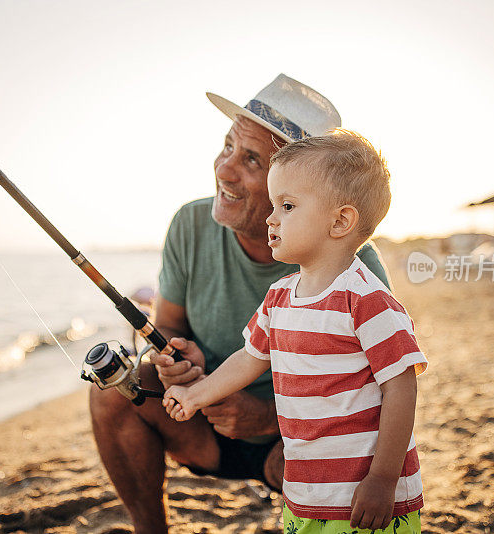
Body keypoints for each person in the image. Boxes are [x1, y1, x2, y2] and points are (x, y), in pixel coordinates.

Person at [88, 74, 392, 534]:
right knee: (110, 391)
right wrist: (173, 356)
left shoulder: (355, 264)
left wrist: (269, 418)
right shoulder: (190, 223)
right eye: (228, 146)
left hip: (301, 446)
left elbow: (382, 393)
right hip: (200, 424)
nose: (224, 169)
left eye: (251, 159)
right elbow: (166, 325)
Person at [163, 130, 427, 533]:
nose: (271, 218)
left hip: (364, 492)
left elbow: (401, 387)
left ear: (340, 221)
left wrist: (383, 479)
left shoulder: (366, 299)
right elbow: (248, 359)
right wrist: (194, 395)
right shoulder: (279, 296)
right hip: (306, 490)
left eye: (287, 206)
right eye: (273, 204)